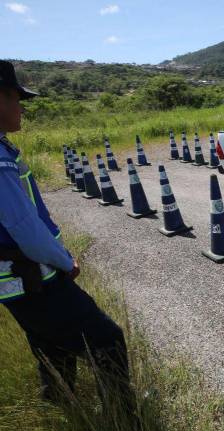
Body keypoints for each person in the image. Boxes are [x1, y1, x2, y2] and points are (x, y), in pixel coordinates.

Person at [0, 60, 131, 406]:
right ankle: (123, 418)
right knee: (107, 339)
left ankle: (59, 404)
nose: (21, 109)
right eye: (17, 99)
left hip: (14, 281)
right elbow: (25, 229)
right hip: (34, 275)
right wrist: (64, 261)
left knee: (51, 341)